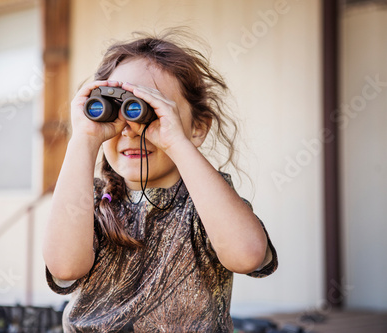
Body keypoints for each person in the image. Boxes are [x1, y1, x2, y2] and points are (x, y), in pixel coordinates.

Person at [42, 30, 278, 333]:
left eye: (150, 111)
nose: (131, 129)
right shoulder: (90, 203)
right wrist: (83, 139)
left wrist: (177, 143)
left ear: (197, 128)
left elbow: (248, 255)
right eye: (120, 109)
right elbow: (64, 267)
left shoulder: (206, 200)